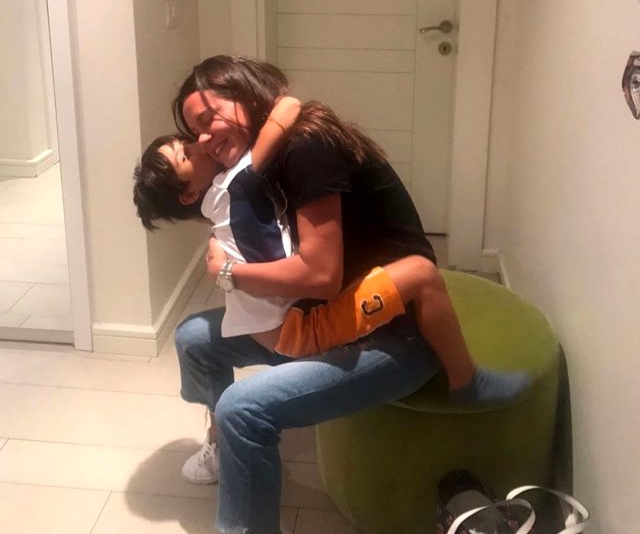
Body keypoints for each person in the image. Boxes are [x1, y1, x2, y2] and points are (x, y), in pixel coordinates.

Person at [165, 55, 529, 534]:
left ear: (245, 96)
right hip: (327, 319)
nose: (203, 139)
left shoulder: (306, 149)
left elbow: (320, 276)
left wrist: (230, 272)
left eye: (207, 119)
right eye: (194, 132)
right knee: (193, 337)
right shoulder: (262, 162)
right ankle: (223, 444)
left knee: (244, 407)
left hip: (394, 333)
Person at [134, 105, 529, 386]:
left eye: (190, 138)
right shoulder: (234, 186)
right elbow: (287, 109)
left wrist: (226, 272)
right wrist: (278, 108)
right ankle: (468, 382)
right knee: (422, 274)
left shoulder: (219, 209)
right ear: (189, 194)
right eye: (187, 153)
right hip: (298, 332)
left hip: (276, 328)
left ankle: (217, 434)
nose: (200, 142)